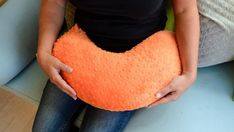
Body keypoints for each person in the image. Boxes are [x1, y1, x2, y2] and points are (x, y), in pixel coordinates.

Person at [33, 0, 200, 131]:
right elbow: (54, 2)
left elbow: (185, 9)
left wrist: (190, 73)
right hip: (80, 53)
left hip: (135, 66)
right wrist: (43, 51)